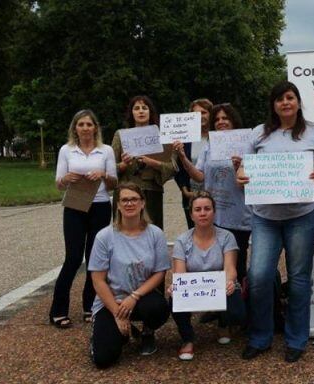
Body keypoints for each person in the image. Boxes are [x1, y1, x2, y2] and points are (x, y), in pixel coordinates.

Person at [236, 81, 314, 363]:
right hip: (265, 217)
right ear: (273, 105)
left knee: (299, 279)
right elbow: (244, 167)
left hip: (303, 215)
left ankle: (296, 339)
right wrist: (240, 175)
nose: (285, 103)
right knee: (258, 277)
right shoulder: (259, 133)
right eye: (279, 99)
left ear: (298, 102)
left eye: (290, 97)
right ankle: (260, 337)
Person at [88, 183, 171, 367]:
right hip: (112, 301)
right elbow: (98, 280)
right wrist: (118, 314)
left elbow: (160, 272)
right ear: (117, 205)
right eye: (124, 200)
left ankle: (147, 332)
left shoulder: (155, 234)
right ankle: (117, 332)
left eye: (134, 199)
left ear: (142, 203)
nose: (129, 203)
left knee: (159, 308)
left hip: (141, 298)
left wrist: (134, 296)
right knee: (103, 360)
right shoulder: (104, 236)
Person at [51, 109, 117, 328]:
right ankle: (58, 310)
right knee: (72, 257)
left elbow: (113, 184)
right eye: (81, 125)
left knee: (94, 258)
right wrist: (66, 179)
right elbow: (59, 184)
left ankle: (90, 305)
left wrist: (104, 175)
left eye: (89, 124)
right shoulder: (66, 150)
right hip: (75, 206)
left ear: (95, 128)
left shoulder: (105, 150)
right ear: (75, 128)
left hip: (99, 205)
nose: (86, 128)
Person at [173, 103, 252, 285]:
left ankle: (235, 303)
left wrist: (239, 167)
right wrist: (183, 157)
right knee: (215, 263)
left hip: (238, 215)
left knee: (236, 263)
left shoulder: (246, 143)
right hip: (214, 214)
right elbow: (199, 176)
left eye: (225, 118)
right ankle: (213, 304)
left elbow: (253, 181)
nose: (220, 122)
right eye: (217, 119)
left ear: (234, 120)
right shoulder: (210, 144)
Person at [167, 191, 247, 361]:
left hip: (220, 286)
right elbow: (179, 273)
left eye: (207, 209)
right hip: (195, 289)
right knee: (174, 297)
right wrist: (177, 286)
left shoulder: (227, 237)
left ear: (214, 212)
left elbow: (230, 268)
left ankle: (224, 322)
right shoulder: (182, 241)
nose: (202, 213)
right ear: (191, 214)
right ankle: (187, 338)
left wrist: (230, 282)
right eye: (197, 210)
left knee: (238, 312)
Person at [111, 96, 176, 229]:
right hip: (125, 191)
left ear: (150, 112)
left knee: (152, 231)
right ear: (131, 113)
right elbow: (110, 167)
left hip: (152, 191)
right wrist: (123, 164)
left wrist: (152, 162)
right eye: (137, 108)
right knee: (123, 230)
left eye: (144, 108)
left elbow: (172, 167)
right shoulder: (121, 135)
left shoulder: (162, 136)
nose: (141, 111)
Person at [175, 98, 213, 229]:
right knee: (195, 232)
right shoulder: (185, 140)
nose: (200, 116)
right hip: (192, 195)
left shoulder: (218, 137)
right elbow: (178, 166)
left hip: (216, 194)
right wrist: (184, 190)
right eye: (196, 114)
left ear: (210, 114)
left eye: (204, 112)